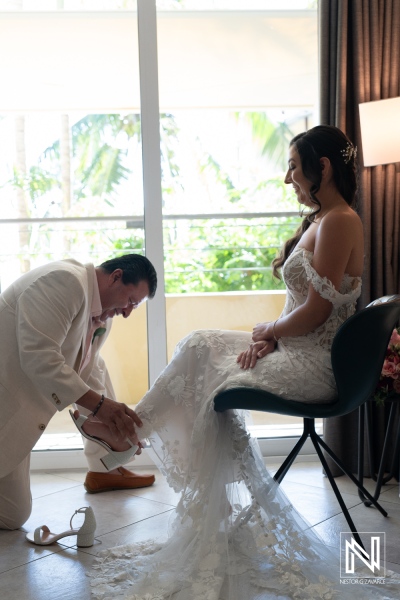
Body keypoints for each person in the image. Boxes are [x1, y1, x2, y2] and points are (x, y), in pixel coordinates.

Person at [76, 126, 399, 599]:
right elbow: (303, 311)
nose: (288, 177)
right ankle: (132, 429)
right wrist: (272, 337)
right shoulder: (321, 218)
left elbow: (319, 311)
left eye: (293, 165)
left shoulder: (341, 221)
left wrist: (270, 333)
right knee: (201, 343)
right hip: (294, 344)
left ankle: (130, 436)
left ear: (322, 167)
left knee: (215, 384)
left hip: (316, 363)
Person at [0, 253, 157, 530]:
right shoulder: (64, 282)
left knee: (14, 515)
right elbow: (39, 356)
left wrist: (115, 430)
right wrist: (99, 406)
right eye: (131, 301)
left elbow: (90, 372)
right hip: (6, 400)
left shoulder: (102, 320)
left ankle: (104, 469)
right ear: (116, 276)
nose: (127, 312)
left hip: (17, 417)